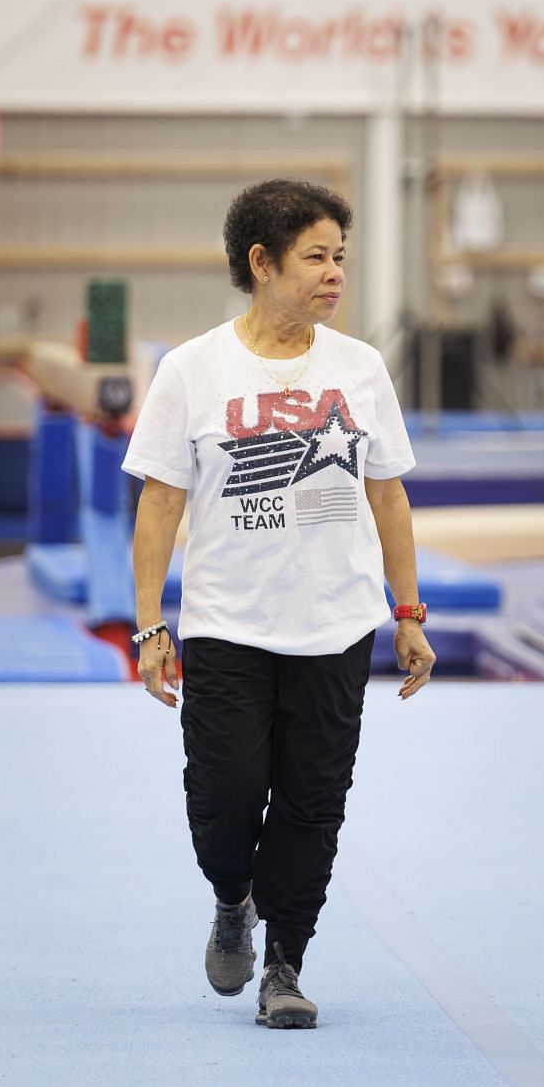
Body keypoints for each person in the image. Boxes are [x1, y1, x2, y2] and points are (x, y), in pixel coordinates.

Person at [122, 179, 436, 1030]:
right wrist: (151, 623)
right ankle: (233, 896)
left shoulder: (360, 368)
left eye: (341, 257)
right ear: (261, 264)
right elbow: (159, 502)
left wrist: (407, 614)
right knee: (225, 798)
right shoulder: (193, 370)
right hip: (228, 623)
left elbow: (391, 498)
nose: (335, 273)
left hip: (335, 625)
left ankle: (285, 965)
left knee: (312, 805)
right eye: (316, 257)